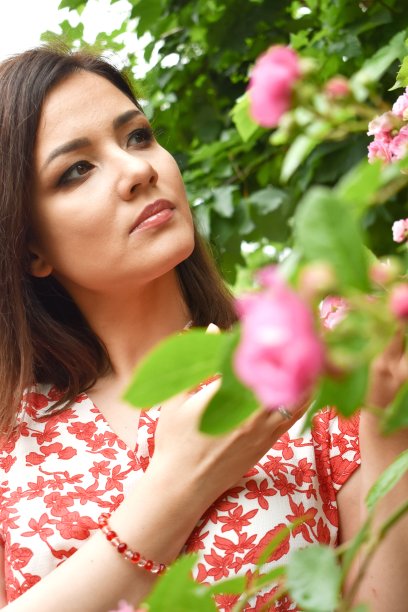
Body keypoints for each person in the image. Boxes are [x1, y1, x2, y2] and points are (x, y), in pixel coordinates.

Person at [0, 46, 406, 612]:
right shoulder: (12, 442)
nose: (139, 169)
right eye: (77, 169)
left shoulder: (304, 368)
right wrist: (176, 489)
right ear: (29, 247)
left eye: (137, 136)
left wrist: (388, 423)